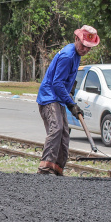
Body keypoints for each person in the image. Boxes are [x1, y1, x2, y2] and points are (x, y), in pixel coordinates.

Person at [35, 25, 100, 175]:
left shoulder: (76, 55)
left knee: (65, 133)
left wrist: (70, 91)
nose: (85, 50)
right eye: (83, 46)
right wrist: (71, 104)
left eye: (89, 48)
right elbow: (57, 83)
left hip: (59, 97)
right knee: (56, 128)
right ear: (76, 39)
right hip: (49, 97)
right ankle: (45, 168)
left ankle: (57, 168)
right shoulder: (68, 56)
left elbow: (65, 80)